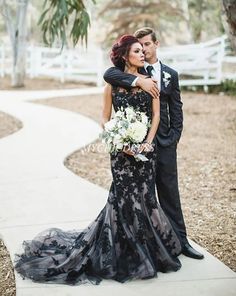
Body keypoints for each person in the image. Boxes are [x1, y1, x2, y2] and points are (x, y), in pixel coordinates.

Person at [14, 35, 182, 286]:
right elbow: (104, 117)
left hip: (146, 151)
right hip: (120, 153)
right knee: (122, 199)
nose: (142, 54)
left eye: (143, 50)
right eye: (137, 51)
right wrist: (118, 140)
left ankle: (147, 251)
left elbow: (156, 115)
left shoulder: (151, 82)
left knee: (145, 198)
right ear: (126, 56)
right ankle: (123, 252)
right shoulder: (112, 85)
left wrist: (147, 141)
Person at [103, 27, 204, 260]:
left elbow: (176, 108)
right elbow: (110, 76)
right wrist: (139, 80)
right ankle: (143, 245)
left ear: (156, 44)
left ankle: (181, 241)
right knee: (141, 195)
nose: (144, 50)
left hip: (163, 141)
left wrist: (174, 137)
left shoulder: (170, 74)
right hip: (135, 144)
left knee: (169, 192)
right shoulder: (128, 74)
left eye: (147, 44)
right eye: (139, 46)